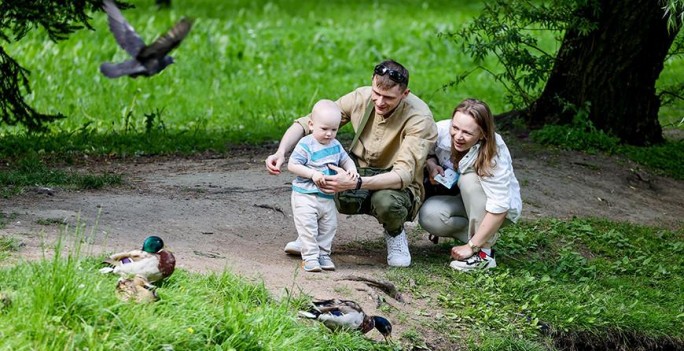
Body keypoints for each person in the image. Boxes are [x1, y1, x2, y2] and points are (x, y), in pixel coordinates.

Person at [266, 59, 438, 267]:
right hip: (357, 169)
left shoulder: (419, 118)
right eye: (377, 93)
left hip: (395, 182)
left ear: (405, 94)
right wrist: (281, 151)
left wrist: (354, 183)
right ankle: (310, 236)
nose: (380, 102)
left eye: (389, 97)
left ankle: (395, 233)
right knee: (320, 174)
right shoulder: (361, 97)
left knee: (387, 203)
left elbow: (403, 175)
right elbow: (309, 122)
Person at [419, 98, 522, 271]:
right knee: (430, 215)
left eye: (467, 133)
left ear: (482, 134)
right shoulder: (441, 130)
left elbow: (500, 206)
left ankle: (482, 254)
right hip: (463, 200)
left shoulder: (495, 154)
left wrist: (471, 246)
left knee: (468, 180)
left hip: (495, 209)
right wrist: (430, 164)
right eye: (455, 128)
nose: (458, 136)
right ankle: (483, 236)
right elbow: (426, 151)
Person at [287, 100, 358, 272]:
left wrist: (351, 169)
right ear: (311, 125)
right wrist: (313, 174)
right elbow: (292, 165)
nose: (329, 134)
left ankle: (323, 254)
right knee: (308, 227)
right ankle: (310, 257)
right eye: (324, 129)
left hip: (327, 197)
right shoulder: (306, 144)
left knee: (328, 226)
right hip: (305, 195)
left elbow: (345, 159)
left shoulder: (335, 145)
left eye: (334, 130)